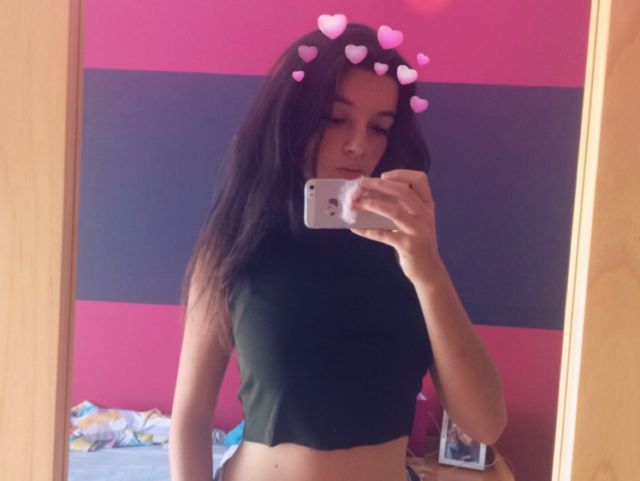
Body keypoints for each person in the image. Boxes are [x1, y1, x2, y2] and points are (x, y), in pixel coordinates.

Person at [169, 21, 507, 481]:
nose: (358, 145)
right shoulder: (237, 241)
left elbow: (485, 424)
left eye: (379, 127)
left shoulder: (408, 249)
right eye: (335, 118)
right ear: (295, 119)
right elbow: (190, 418)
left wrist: (428, 270)